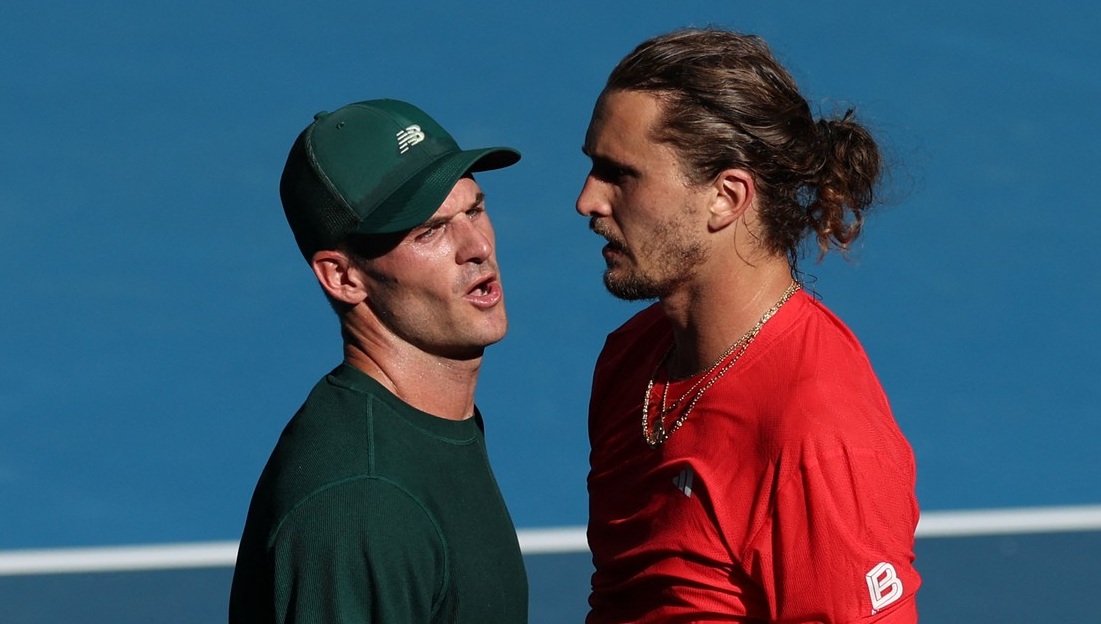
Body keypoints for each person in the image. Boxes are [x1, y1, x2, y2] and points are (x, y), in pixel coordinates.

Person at [577, 28, 921, 623]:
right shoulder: (630, 360)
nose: (588, 201)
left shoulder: (816, 434)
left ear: (726, 197)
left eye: (620, 175)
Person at [229, 99, 528, 623]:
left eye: (474, 209)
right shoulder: (364, 503)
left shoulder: (433, 427)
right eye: (429, 231)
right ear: (344, 277)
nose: (477, 246)